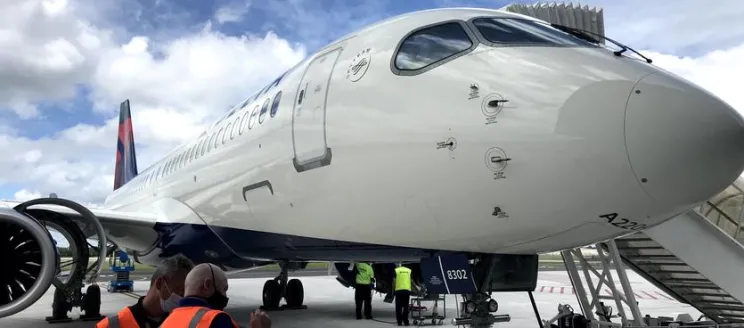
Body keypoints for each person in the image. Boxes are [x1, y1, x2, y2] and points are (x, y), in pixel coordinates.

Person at [96, 253, 195, 328]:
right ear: (160, 284)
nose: (183, 298)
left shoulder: (183, 322)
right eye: (180, 291)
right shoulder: (111, 325)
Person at [160, 263, 271, 328]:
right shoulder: (216, 320)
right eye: (224, 289)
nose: (225, 295)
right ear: (207, 285)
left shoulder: (167, 321)